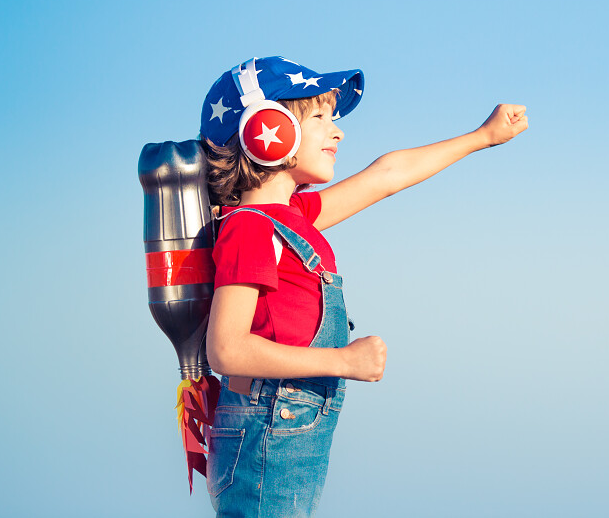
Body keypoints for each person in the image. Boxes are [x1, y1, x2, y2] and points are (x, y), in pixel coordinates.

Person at [197, 56, 527, 517]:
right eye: (320, 117)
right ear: (266, 130)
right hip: (267, 431)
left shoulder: (290, 220)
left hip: (287, 428)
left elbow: (384, 177)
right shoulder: (251, 229)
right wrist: (342, 361)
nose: (338, 132)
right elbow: (227, 351)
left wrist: (482, 137)